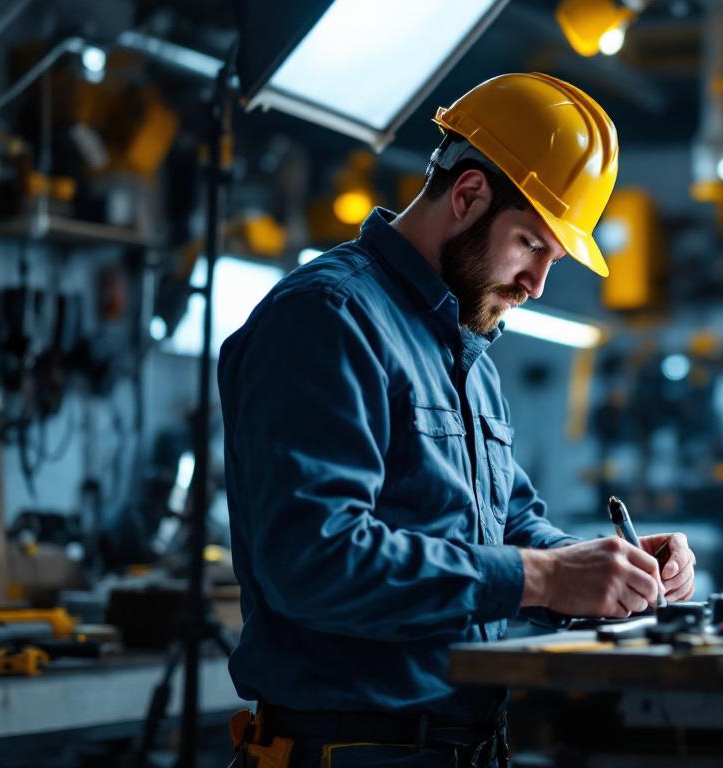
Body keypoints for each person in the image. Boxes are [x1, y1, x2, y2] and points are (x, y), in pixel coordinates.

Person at [219, 73, 696, 767]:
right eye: (532, 244)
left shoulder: (465, 347)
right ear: (468, 195)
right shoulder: (328, 319)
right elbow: (314, 560)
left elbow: (507, 525)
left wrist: (603, 567)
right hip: (350, 750)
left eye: (552, 258)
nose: (536, 285)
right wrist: (540, 578)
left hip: (458, 746)